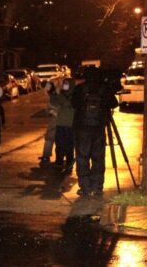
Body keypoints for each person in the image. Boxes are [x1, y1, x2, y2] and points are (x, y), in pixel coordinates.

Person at [71, 68, 118, 197]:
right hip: (99, 129)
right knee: (98, 158)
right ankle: (97, 187)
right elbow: (115, 103)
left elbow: (73, 103)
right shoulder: (104, 89)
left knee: (82, 158)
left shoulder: (80, 89)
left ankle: (85, 188)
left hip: (82, 129)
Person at [51, 77, 76, 174]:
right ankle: (59, 161)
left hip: (70, 124)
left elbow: (70, 104)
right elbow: (53, 102)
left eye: (67, 83)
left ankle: (69, 161)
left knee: (70, 145)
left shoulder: (75, 96)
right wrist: (54, 93)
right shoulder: (60, 94)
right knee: (60, 144)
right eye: (64, 83)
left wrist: (63, 102)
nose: (65, 85)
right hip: (60, 123)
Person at [39, 80, 59, 166]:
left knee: (50, 138)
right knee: (53, 139)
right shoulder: (54, 95)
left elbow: (55, 109)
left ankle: (47, 156)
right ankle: (49, 155)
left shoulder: (54, 97)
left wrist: (51, 111)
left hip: (55, 121)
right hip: (56, 120)